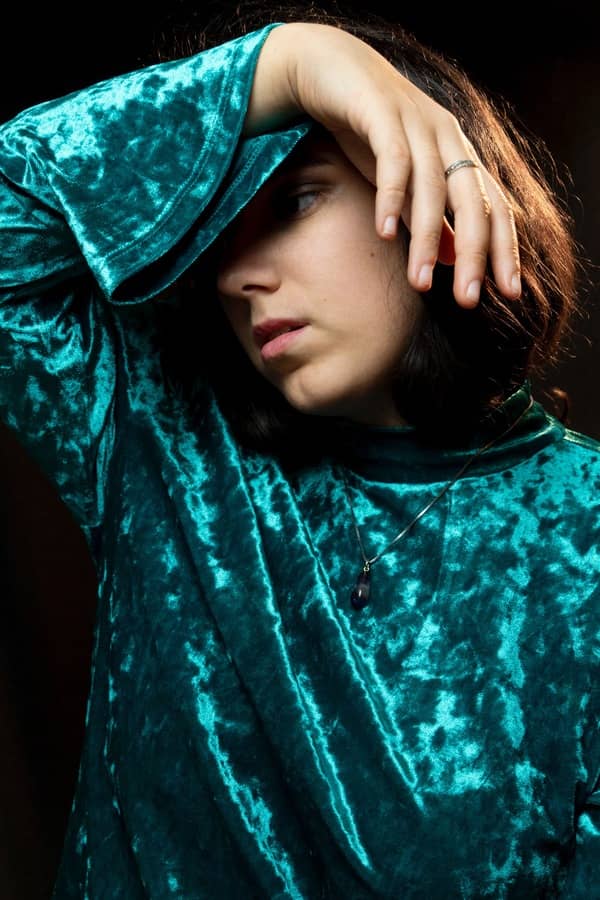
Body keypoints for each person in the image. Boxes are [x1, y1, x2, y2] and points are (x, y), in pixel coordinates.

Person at [0, 1, 598, 896]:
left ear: (443, 183)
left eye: (294, 200)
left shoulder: (582, 535)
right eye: (216, 242)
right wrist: (288, 63)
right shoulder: (158, 436)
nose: (240, 277)